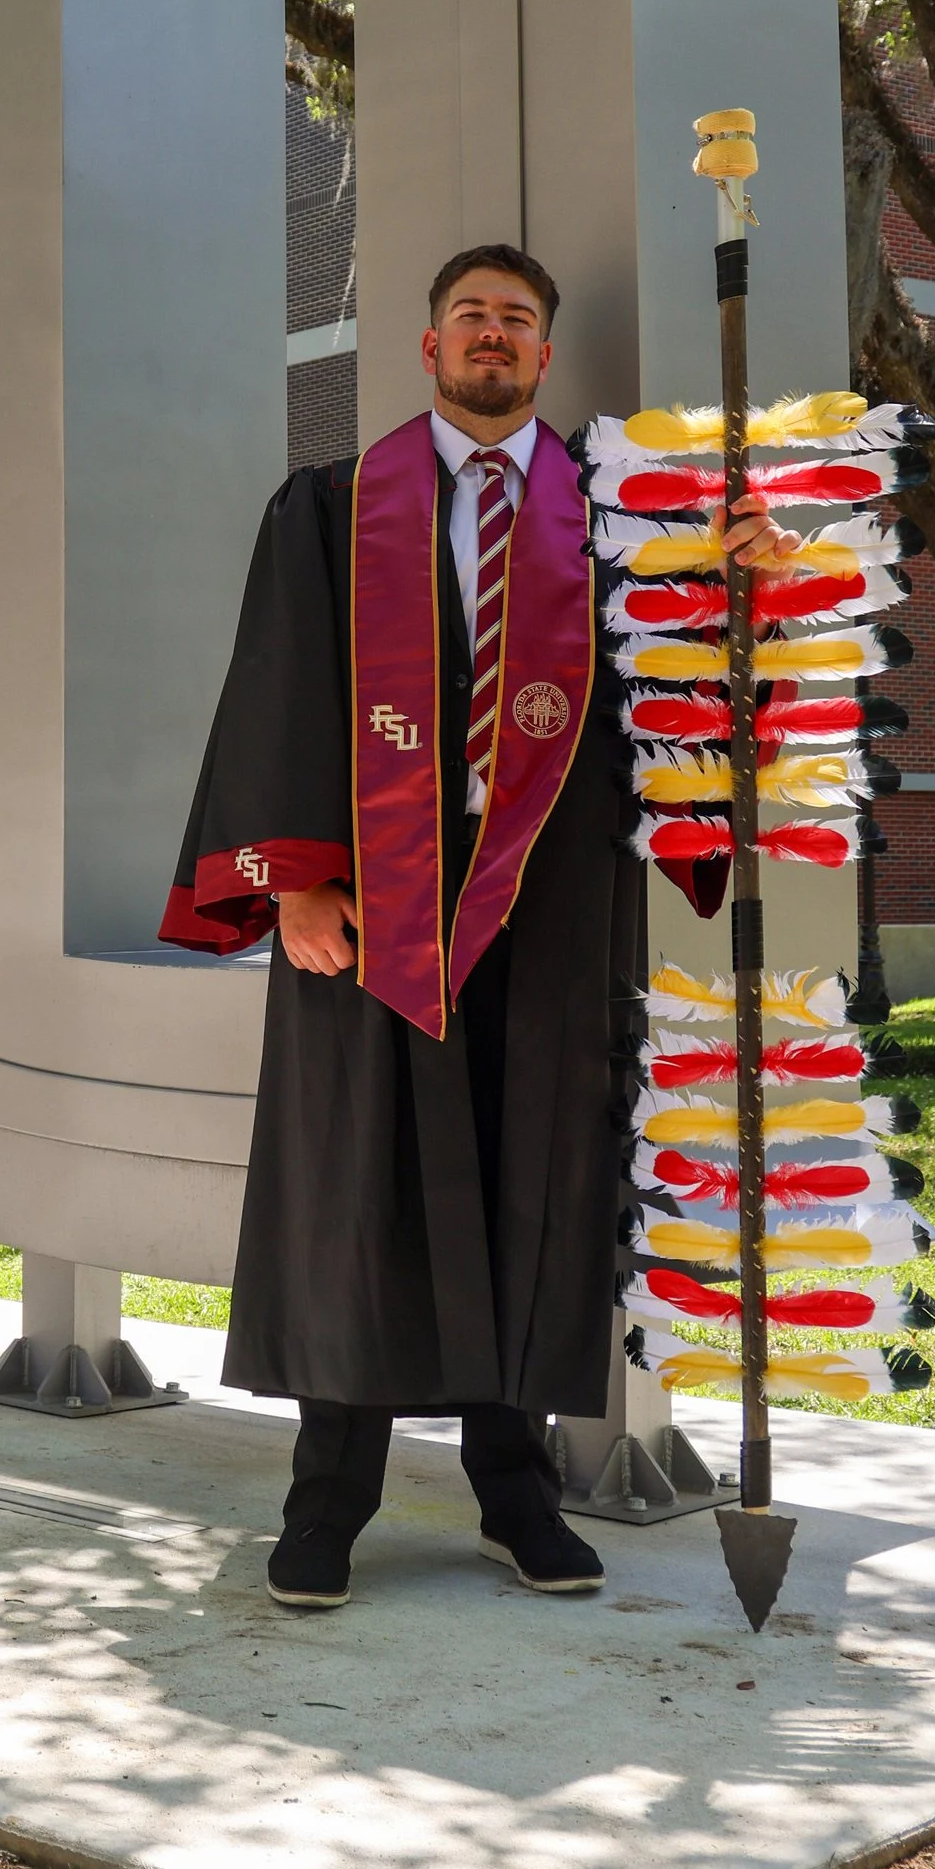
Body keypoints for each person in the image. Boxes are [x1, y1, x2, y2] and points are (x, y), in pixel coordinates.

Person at [162, 245, 780, 1611]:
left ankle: (518, 1496)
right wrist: (293, 885)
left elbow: (679, 707)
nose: (493, 337)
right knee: (358, 1195)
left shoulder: (620, 528)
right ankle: (326, 1502)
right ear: (428, 346)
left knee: (531, 1185)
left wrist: (735, 593)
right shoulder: (332, 507)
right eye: (470, 318)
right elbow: (277, 690)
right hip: (373, 917)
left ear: (545, 356)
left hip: (553, 915)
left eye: (517, 320)